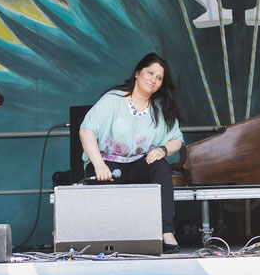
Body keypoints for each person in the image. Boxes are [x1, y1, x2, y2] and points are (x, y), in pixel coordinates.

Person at [79, 52, 184, 253]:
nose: (153, 80)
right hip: (108, 164)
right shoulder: (113, 100)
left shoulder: (161, 108)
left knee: (161, 167)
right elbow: (86, 130)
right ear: (137, 73)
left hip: (138, 164)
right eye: (150, 73)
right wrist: (98, 164)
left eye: (159, 78)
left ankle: (166, 232)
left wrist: (163, 149)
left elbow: (177, 139)